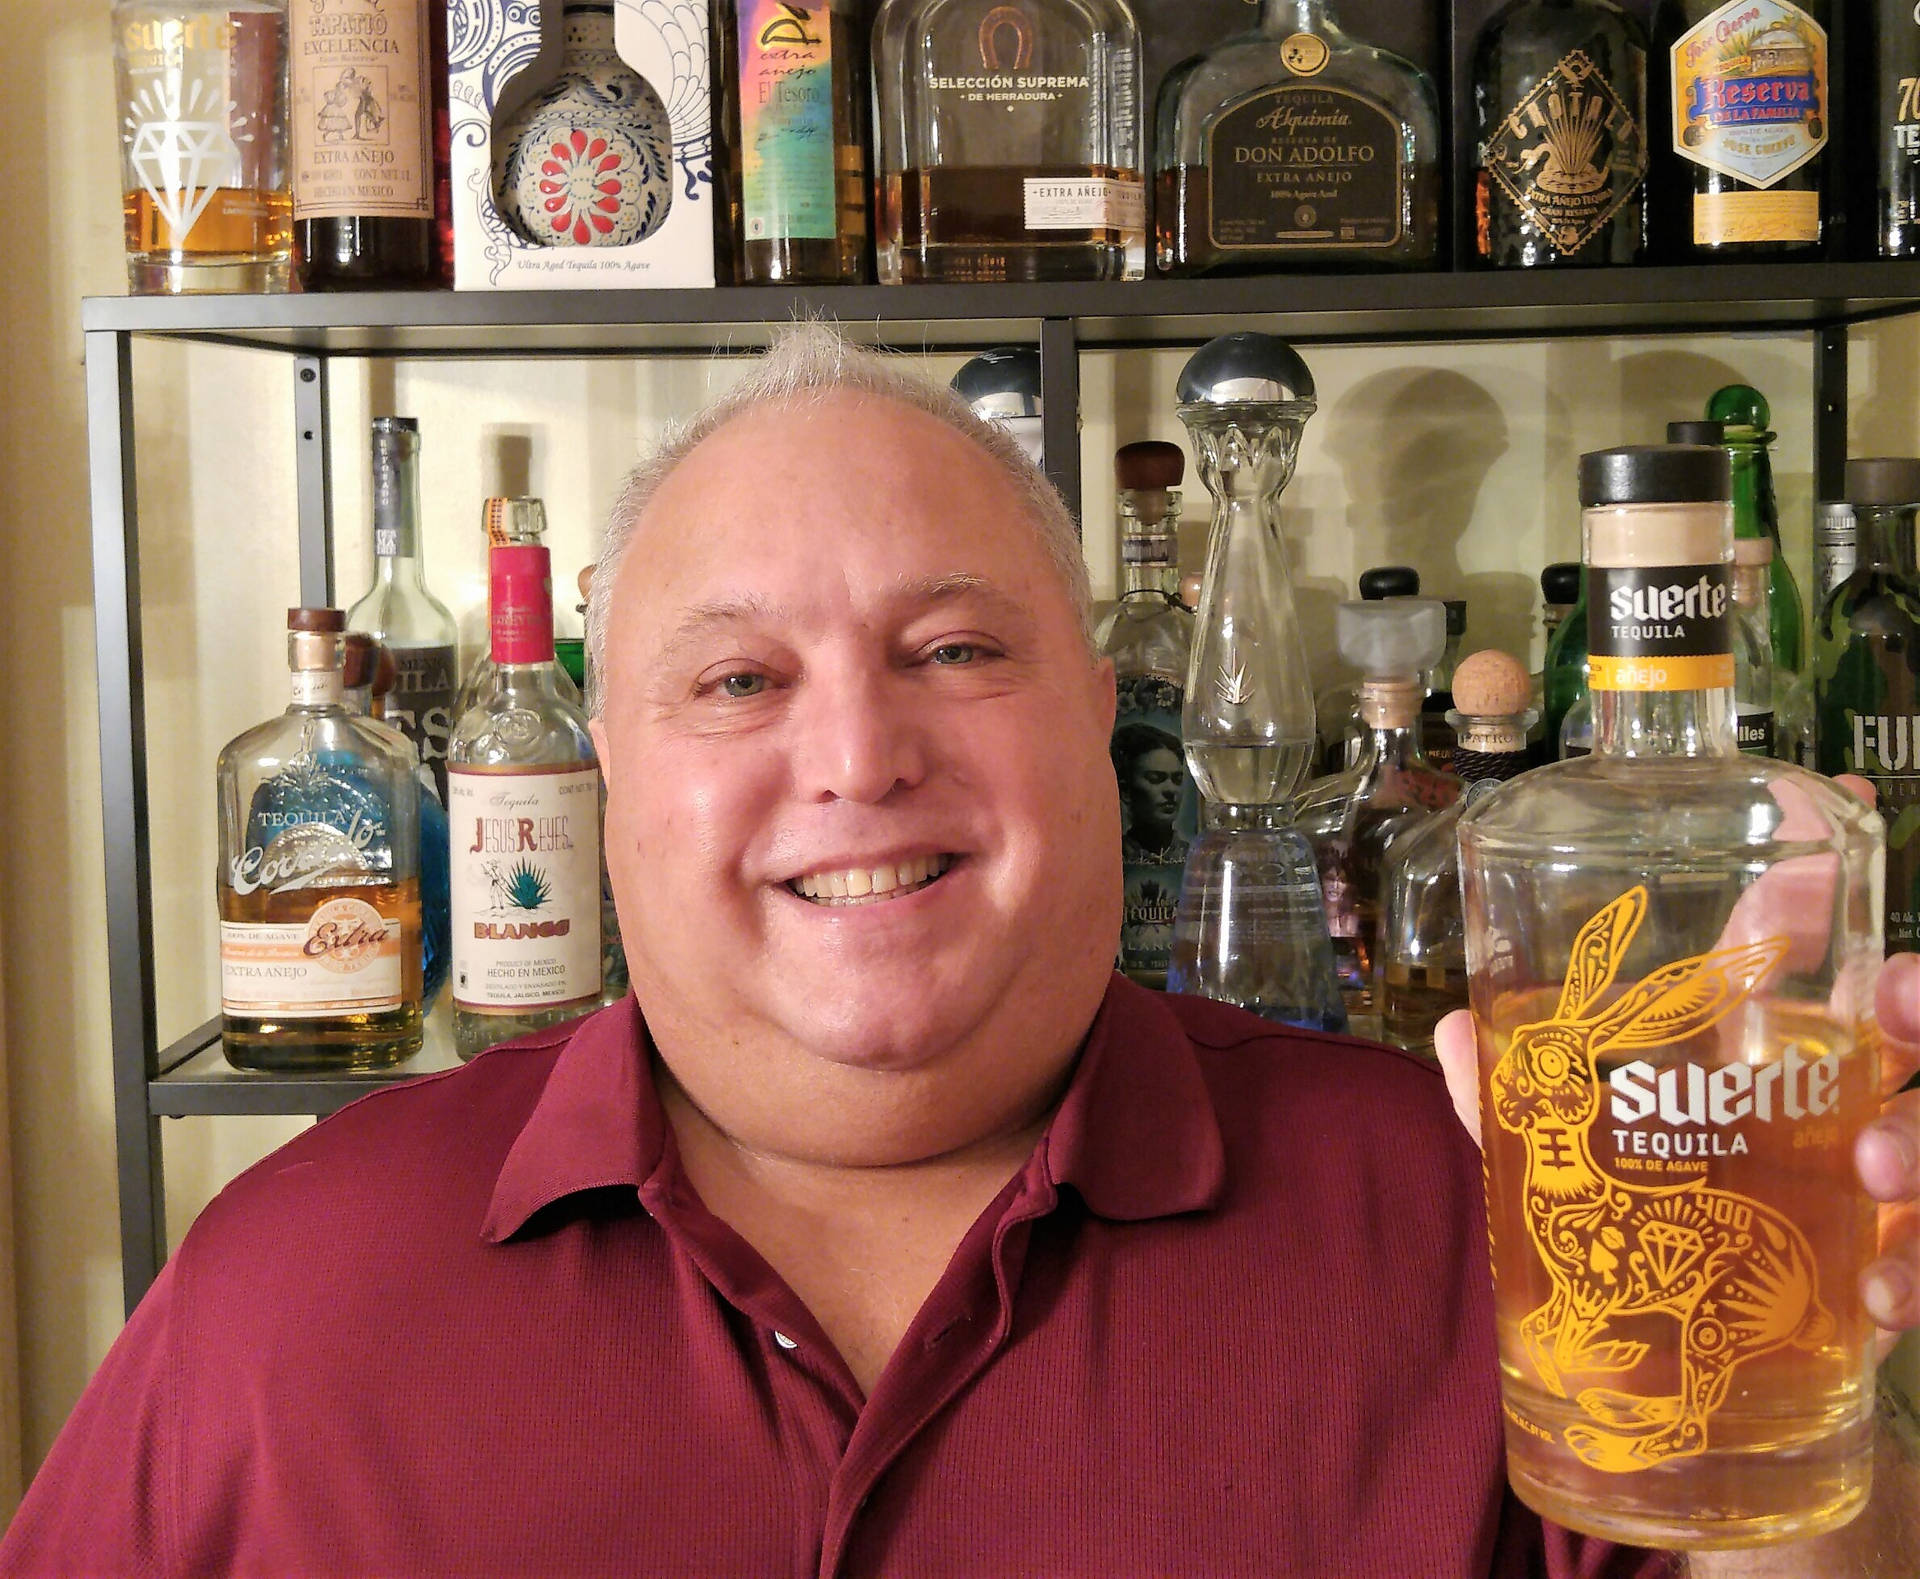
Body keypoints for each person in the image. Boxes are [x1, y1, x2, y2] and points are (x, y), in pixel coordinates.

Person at [2, 324, 1914, 1576]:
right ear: (610, 769)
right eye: (739, 678)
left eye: (955, 649)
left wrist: (1827, 1395)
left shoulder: (1481, 1217)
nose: (856, 755)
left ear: (1098, 708)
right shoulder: (283, 1297)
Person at [1112, 721, 1188, 862]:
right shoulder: (1111, 856)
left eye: (1177, 780)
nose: (1171, 790)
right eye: (1155, 779)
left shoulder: (1193, 857)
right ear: (1125, 791)